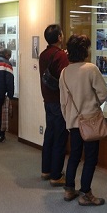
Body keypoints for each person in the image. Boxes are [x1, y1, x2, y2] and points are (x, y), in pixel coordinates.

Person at [59, 34, 107, 205]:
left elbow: (63, 102)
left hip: (73, 122)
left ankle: (69, 189)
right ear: (84, 50)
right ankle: (86, 193)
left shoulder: (64, 72)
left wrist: (69, 118)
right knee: (90, 158)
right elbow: (103, 94)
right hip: (90, 121)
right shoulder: (91, 69)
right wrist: (92, 105)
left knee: (74, 155)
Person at [39, 24, 69, 187]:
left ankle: (46, 170)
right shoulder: (60, 56)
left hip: (47, 99)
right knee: (60, 137)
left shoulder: (43, 54)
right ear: (59, 37)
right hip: (59, 100)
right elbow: (65, 79)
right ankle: (56, 175)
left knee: (50, 134)